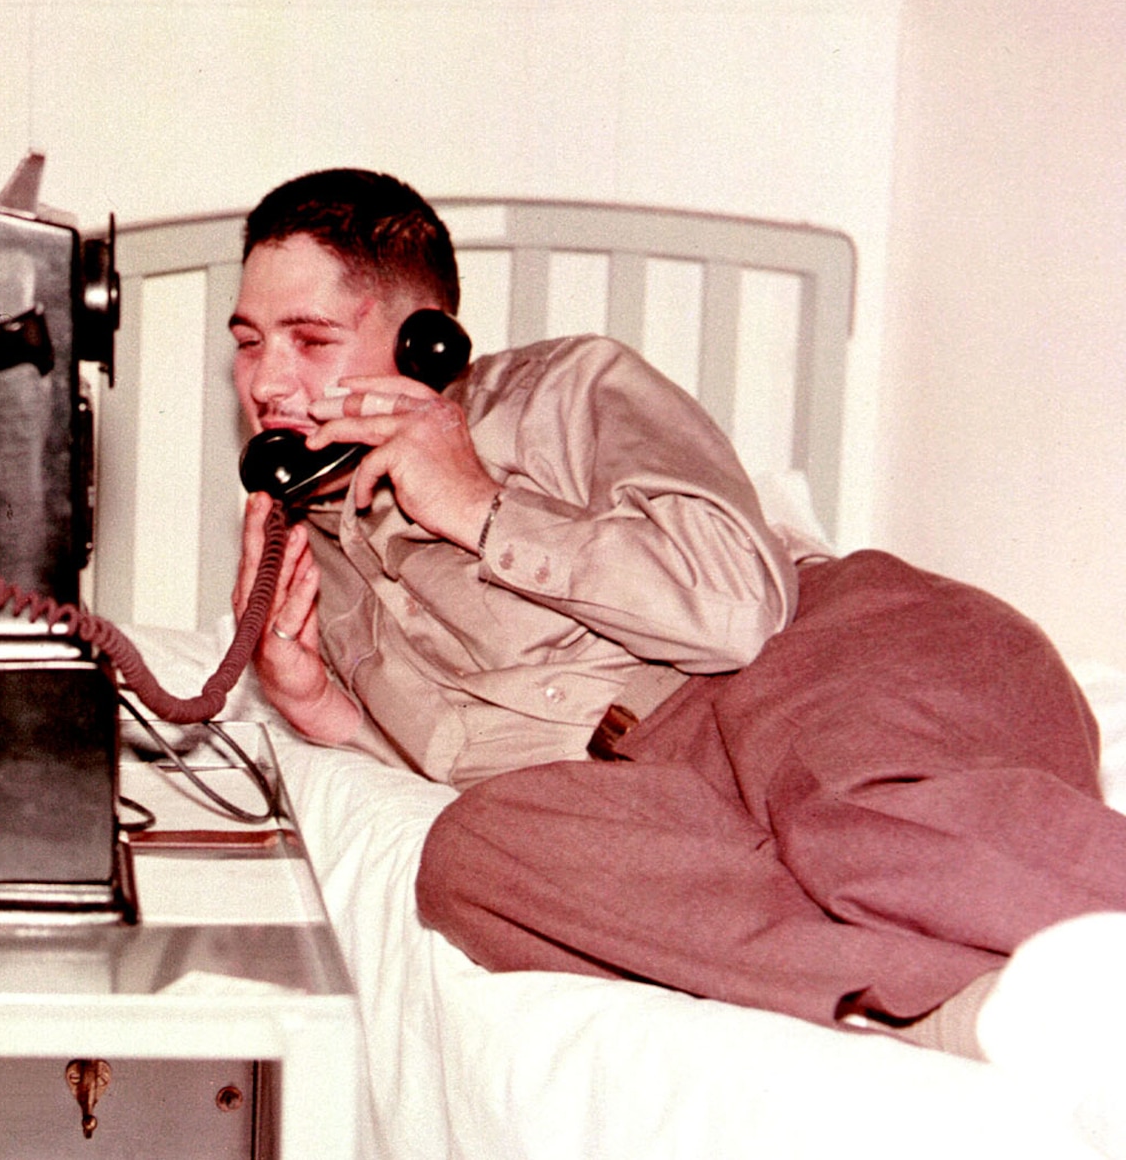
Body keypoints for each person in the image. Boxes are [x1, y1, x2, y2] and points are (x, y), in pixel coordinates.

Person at [229, 167, 1126, 1146]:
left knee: (854, 827)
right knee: (466, 857)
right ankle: (973, 1004)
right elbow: (472, 751)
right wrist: (321, 707)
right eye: (246, 344)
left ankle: (1019, 973)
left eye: (309, 341)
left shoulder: (561, 392)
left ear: (422, 341)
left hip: (821, 655)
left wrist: (481, 506)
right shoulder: (314, 550)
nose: (266, 382)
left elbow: (734, 611)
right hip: (652, 778)